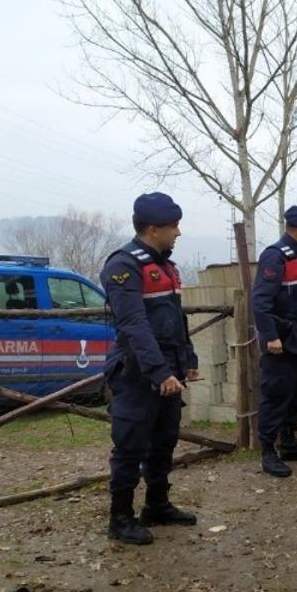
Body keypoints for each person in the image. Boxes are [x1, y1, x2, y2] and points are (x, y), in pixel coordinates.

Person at [100, 192, 199, 545]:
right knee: (130, 446)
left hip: (169, 368)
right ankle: (120, 518)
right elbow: (133, 325)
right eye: (174, 226)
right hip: (137, 372)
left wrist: (187, 359)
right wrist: (159, 372)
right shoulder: (124, 266)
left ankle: (157, 506)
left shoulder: (166, 266)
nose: (179, 232)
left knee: (163, 442)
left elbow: (175, 318)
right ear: (154, 228)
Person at [252, 205, 297, 477]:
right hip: (281, 337)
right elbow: (260, 301)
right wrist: (270, 336)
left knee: (296, 393)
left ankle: (289, 443)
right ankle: (268, 452)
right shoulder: (275, 257)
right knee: (276, 393)